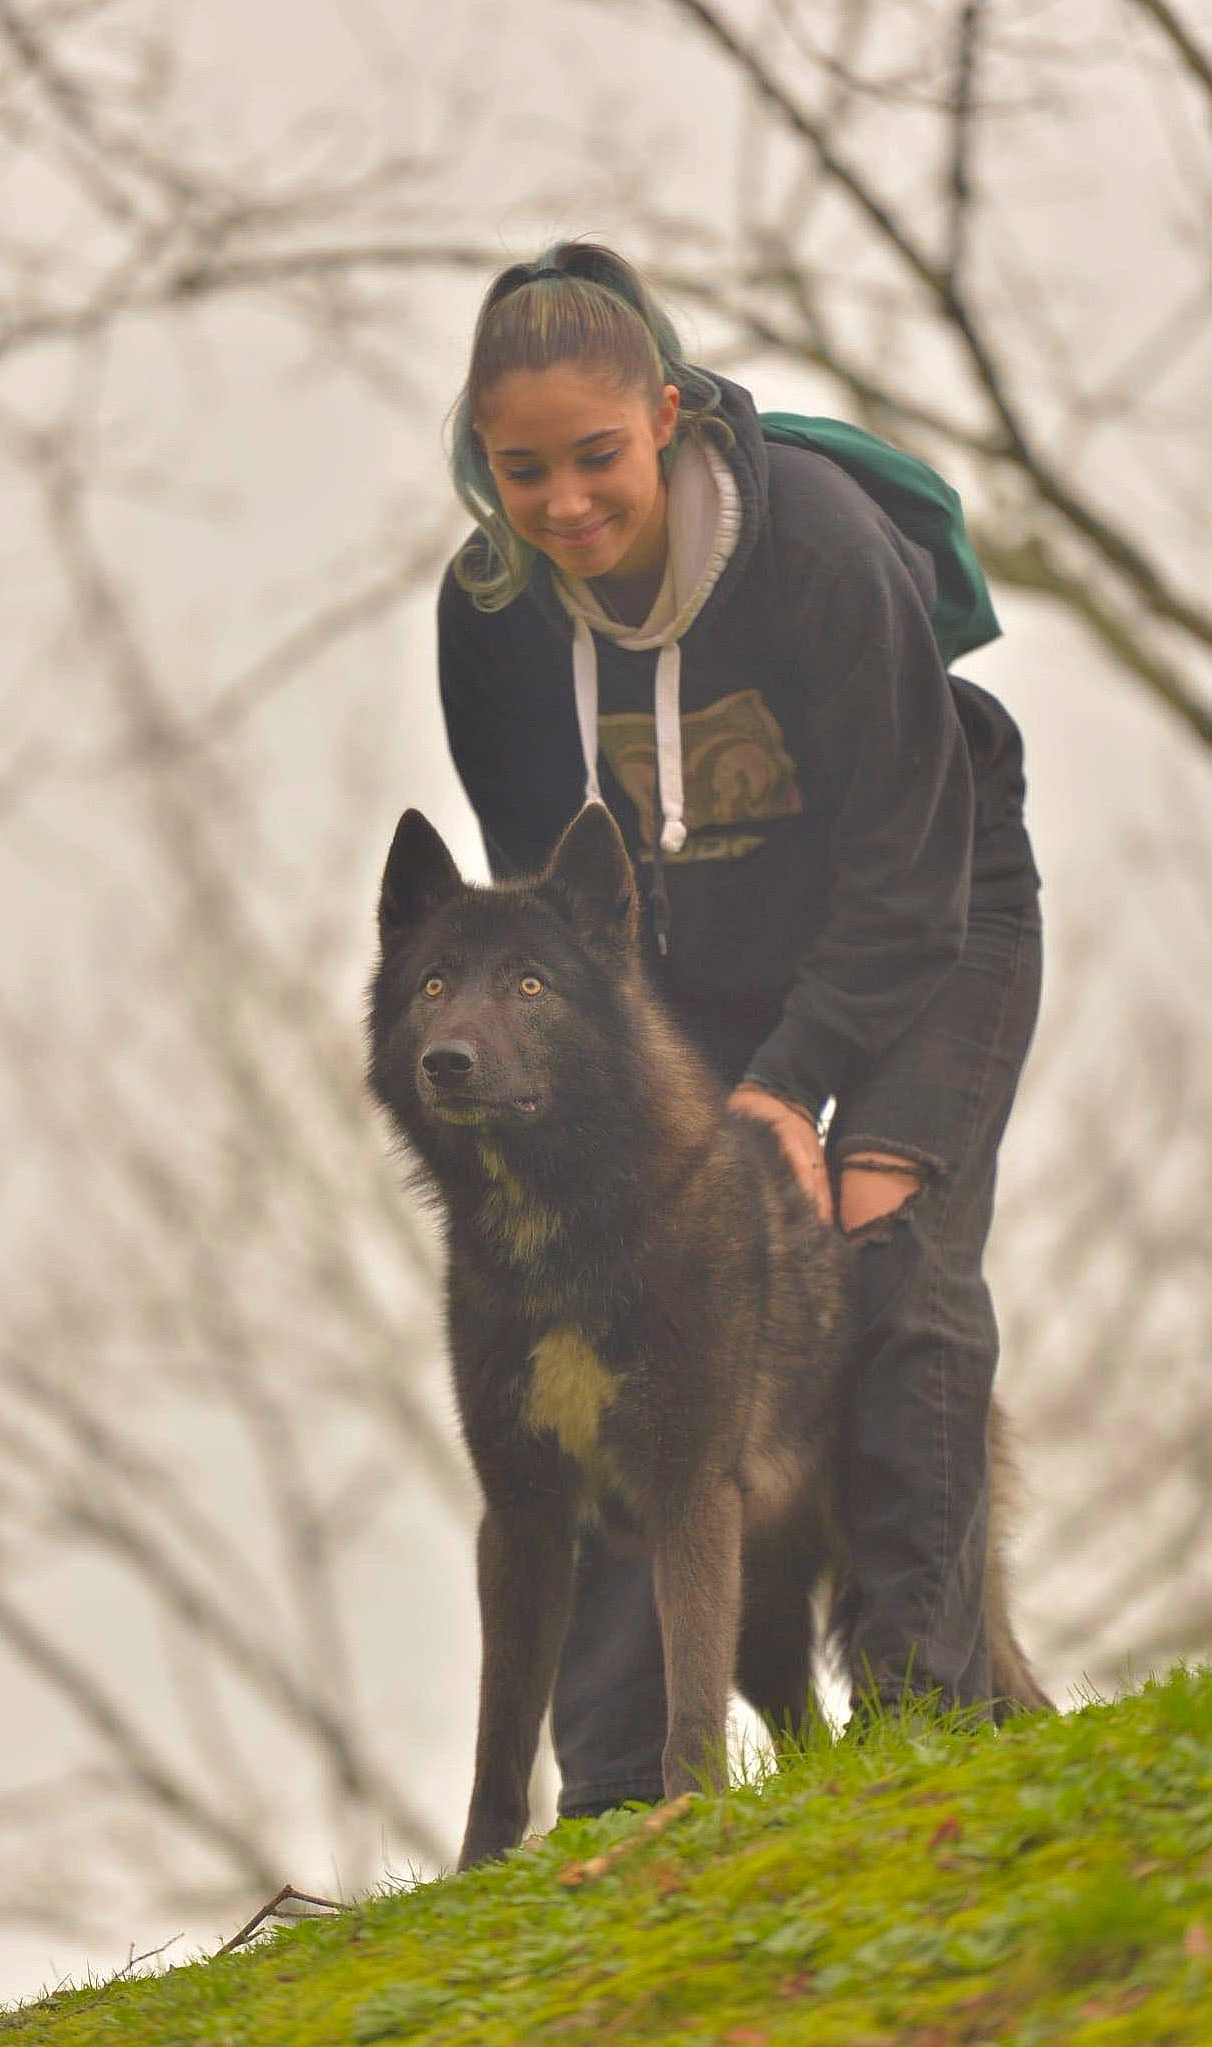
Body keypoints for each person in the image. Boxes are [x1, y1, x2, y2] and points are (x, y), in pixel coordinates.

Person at [436, 240, 1042, 1817]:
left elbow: (914, 869)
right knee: (651, 1292)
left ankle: (929, 1711)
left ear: (669, 416)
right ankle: (626, 1791)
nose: (564, 502)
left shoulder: (820, 555)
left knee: (883, 1227)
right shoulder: (495, 616)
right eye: (522, 472)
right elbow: (568, 908)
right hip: (694, 962)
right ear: (481, 466)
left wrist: (790, 1092)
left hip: (937, 908)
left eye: (597, 459)